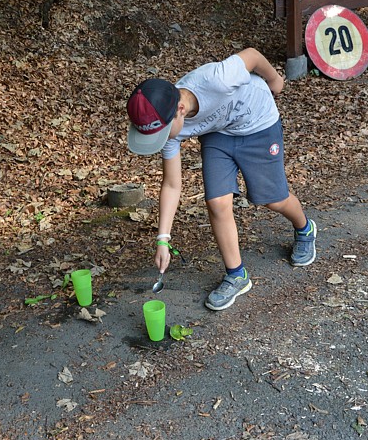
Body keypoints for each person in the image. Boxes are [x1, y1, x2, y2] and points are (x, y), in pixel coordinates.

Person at [126, 48, 317, 311]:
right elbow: (171, 185)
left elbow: (251, 56)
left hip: (258, 123)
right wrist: (163, 239)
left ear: (180, 109)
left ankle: (305, 228)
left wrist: (275, 80)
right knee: (217, 202)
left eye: (163, 132)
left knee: (272, 199)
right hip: (219, 134)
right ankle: (236, 274)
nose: (162, 139)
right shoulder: (170, 132)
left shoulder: (217, 79)